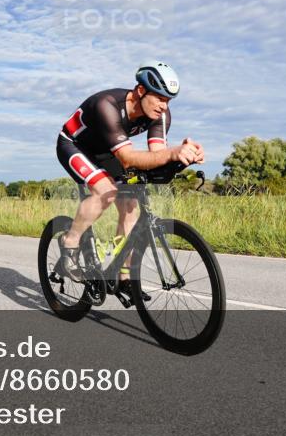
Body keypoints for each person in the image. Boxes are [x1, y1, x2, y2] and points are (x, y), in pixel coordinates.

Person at [54, 61, 205, 300]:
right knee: (106, 191)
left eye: (168, 101)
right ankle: (70, 243)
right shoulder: (108, 106)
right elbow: (127, 158)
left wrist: (185, 158)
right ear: (140, 91)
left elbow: (157, 154)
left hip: (108, 151)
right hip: (75, 145)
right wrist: (172, 153)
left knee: (131, 205)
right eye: (159, 98)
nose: (164, 106)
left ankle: (123, 276)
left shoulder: (160, 115)